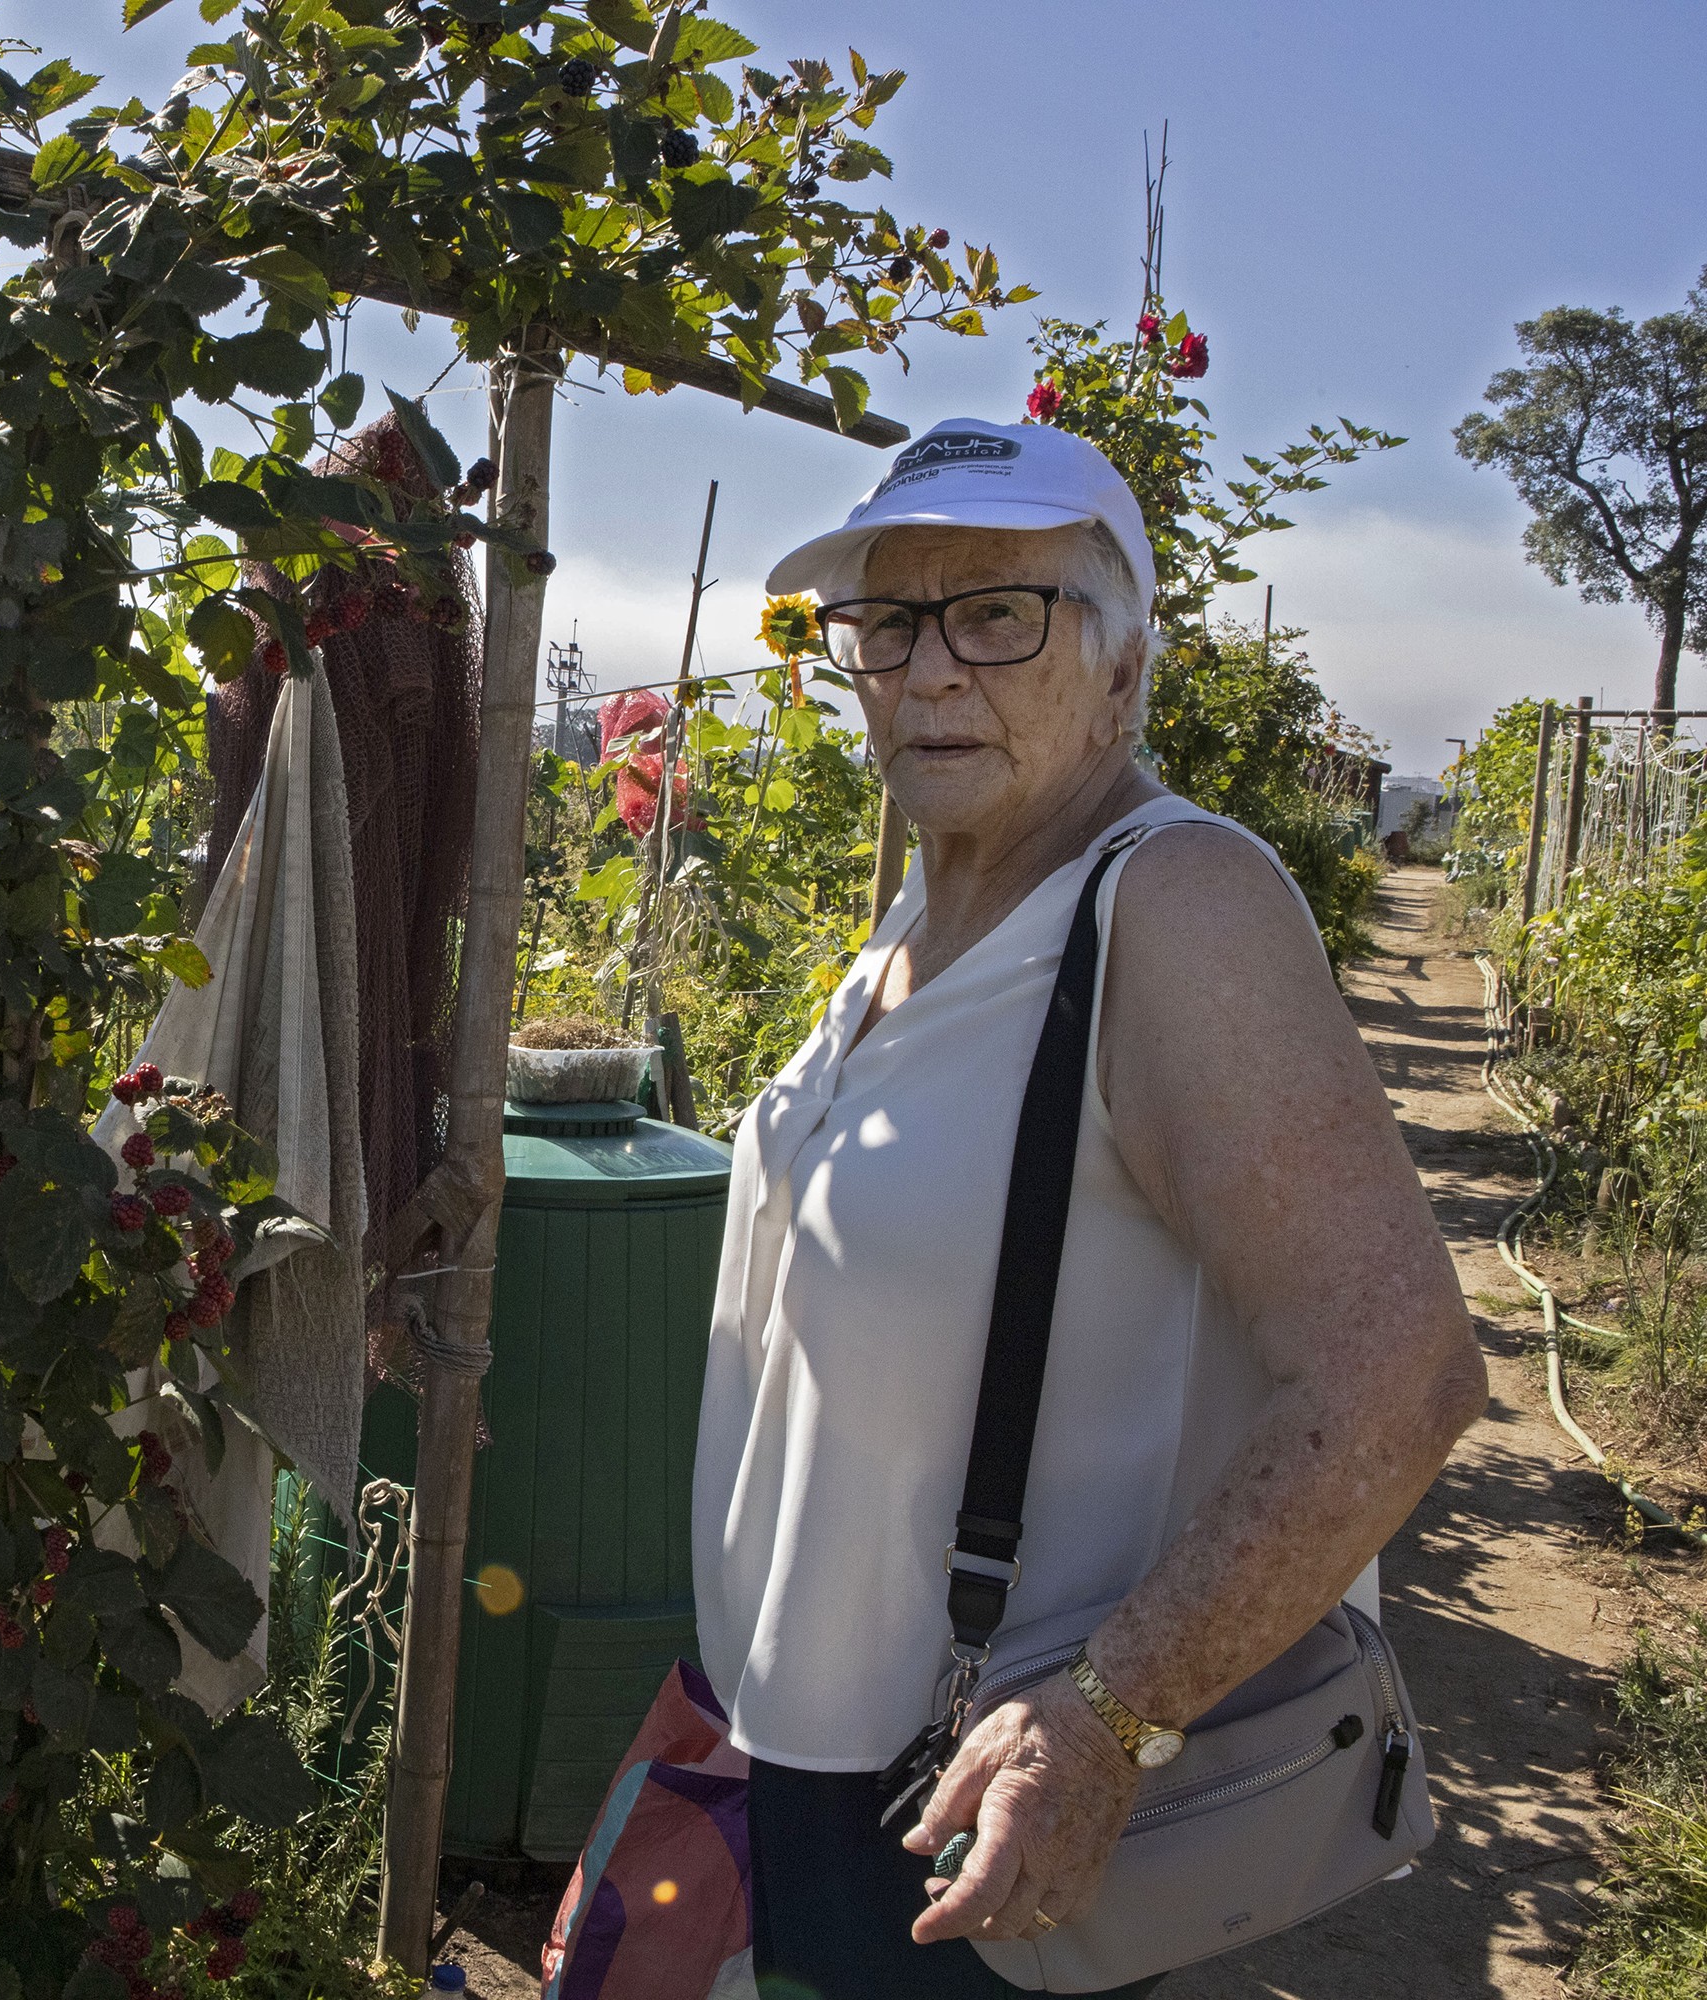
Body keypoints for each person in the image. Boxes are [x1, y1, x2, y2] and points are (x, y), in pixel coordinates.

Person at [688, 416, 1487, 1997]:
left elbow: (1400, 1372)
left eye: (1000, 615)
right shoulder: (936, 908)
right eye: (890, 624)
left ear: (1125, 669)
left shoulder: (1175, 906)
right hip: (820, 1753)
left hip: (996, 1811)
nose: (928, 674)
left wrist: (1107, 1721)